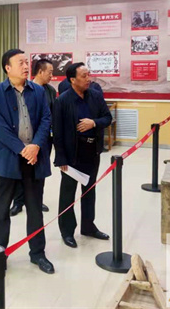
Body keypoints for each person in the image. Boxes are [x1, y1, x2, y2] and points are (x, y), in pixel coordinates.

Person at [0, 49, 54, 274]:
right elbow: (0, 128)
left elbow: (46, 119)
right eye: (21, 63)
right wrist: (23, 149)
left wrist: (35, 145)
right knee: (1, 210)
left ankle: (38, 254)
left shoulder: (38, 90)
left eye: (27, 62)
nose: (26, 66)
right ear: (8, 68)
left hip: (34, 159)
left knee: (35, 209)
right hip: (7, 160)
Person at [53, 62, 112, 249]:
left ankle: (88, 226)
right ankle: (67, 231)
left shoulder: (95, 96)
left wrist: (93, 123)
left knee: (89, 191)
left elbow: (107, 118)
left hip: (92, 152)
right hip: (71, 155)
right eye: (84, 76)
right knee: (67, 194)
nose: (89, 79)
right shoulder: (63, 101)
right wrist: (61, 157)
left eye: (89, 75)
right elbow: (57, 131)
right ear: (73, 80)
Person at [10, 59, 54, 216]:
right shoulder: (25, 89)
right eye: (50, 72)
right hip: (22, 140)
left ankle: (37, 200)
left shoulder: (50, 91)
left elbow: (49, 115)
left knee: (39, 172)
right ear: (40, 72)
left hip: (42, 140)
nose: (52, 76)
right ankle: (18, 202)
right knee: (19, 171)